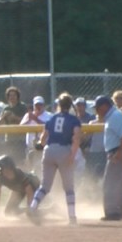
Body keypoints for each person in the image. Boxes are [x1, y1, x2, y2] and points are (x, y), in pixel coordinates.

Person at [27, 93, 83, 224]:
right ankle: (72, 217)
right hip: (64, 150)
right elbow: (76, 139)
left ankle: (32, 207)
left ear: (59, 105)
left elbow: (42, 139)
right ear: (70, 105)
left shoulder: (51, 118)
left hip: (49, 150)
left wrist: (42, 145)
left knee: (45, 186)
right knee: (69, 187)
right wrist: (72, 155)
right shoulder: (74, 120)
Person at [94, 95, 122, 220]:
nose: (96, 111)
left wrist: (120, 152)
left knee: (109, 183)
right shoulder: (112, 116)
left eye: (98, 108)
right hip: (116, 151)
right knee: (119, 184)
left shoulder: (115, 116)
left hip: (117, 152)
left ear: (105, 106)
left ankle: (112, 212)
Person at [0, 154, 40, 219]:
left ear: (12, 168)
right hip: (19, 188)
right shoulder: (0, 178)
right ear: (1, 170)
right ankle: (27, 211)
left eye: (9, 169)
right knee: (8, 212)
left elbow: (29, 191)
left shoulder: (19, 174)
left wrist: (31, 208)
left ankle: (41, 211)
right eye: (5, 169)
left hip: (34, 184)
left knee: (31, 212)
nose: (8, 171)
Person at [0, 86, 28, 164]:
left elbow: (26, 120)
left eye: (14, 95)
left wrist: (14, 117)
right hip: (9, 138)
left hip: (20, 138)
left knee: (20, 159)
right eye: (10, 95)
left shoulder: (22, 107)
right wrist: (4, 116)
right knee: (10, 159)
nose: (12, 97)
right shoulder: (6, 108)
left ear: (17, 96)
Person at [20, 95, 51, 172]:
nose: (38, 107)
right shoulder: (28, 115)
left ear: (44, 105)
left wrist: (36, 119)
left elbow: (49, 127)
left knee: (43, 168)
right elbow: (20, 127)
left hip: (44, 148)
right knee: (31, 169)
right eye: (36, 105)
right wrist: (28, 120)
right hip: (31, 147)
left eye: (40, 105)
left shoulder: (49, 115)